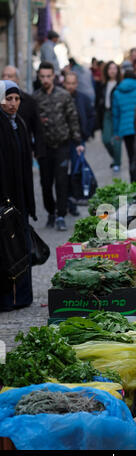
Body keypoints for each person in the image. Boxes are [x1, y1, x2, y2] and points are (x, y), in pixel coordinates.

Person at [0, 80, 36, 312]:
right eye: (8, 99)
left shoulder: (19, 124)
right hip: (4, 197)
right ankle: (6, 299)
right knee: (5, 248)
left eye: (16, 99)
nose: (13, 104)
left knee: (20, 246)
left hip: (19, 197)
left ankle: (21, 297)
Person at [34, 61, 83, 231]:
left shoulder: (64, 96)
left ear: (54, 76)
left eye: (48, 76)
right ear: (39, 77)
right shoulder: (36, 98)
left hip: (62, 146)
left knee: (62, 182)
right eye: (43, 76)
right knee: (46, 183)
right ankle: (51, 212)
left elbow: (73, 119)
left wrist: (77, 142)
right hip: (44, 148)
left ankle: (61, 215)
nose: (46, 79)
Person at [63, 72, 96, 214]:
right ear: (64, 83)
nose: (70, 86)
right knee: (63, 173)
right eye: (68, 83)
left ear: (76, 84)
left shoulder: (83, 98)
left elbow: (91, 115)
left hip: (78, 140)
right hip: (63, 141)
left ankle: (73, 202)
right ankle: (65, 202)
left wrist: (86, 132)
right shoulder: (60, 97)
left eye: (73, 83)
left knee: (76, 171)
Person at [1, 65, 46, 161]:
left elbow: (37, 127)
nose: (5, 78)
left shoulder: (29, 101)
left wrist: (38, 150)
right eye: (3, 76)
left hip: (23, 150)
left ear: (17, 79)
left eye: (9, 76)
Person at [112, 69, 136, 180]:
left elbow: (115, 114)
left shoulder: (117, 92)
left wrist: (116, 132)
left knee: (131, 157)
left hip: (125, 130)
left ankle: (133, 181)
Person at [98, 61, 122, 172]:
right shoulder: (103, 85)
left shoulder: (120, 85)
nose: (112, 71)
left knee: (117, 140)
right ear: (106, 71)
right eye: (110, 68)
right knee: (106, 139)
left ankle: (117, 162)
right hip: (106, 113)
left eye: (114, 68)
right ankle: (115, 157)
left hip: (117, 113)